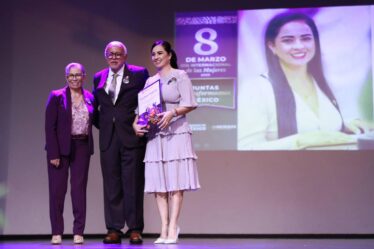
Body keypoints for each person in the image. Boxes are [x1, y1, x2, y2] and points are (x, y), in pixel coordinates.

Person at [238, 11, 372, 150]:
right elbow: (246, 148)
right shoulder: (255, 89)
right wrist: (300, 141)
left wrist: (345, 126)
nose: (299, 46)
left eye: (306, 38)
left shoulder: (320, 82)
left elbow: (315, 126)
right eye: (288, 40)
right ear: (272, 46)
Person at [133, 40, 201, 244]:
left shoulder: (180, 76)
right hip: (156, 136)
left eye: (160, 53)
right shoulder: (149, 81)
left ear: (169, 55)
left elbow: (190, 103)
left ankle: (173, 226)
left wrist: (172, 112)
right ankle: (163, 226)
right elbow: (141, 112)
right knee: (159, 185)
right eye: (153, 54)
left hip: (177, 133)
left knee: (175, 183)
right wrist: (136, 125)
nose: (156, 57)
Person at [92, 41, 149, 244]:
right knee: (111, 183)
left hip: (132, 136)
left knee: (133, 182)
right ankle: (114, 228)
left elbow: (148, 102)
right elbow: (95, 109)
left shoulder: (139, 73)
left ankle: (134, 228)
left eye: (118, 53)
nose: (114, 57)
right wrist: (107, 126)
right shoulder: (99, 77)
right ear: (106, 56)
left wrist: (139, 123)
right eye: (110, 53)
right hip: (108, 138)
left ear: (125, 56)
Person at [45, 62, 95, 245]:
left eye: (78, 75)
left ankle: (78, 232)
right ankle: (57, 231)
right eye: (71, 75)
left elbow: (94, 120)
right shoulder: (56, 96)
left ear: (84, 76)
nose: (74, 78)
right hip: (60, 148)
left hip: (81, 146)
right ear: (66, 77)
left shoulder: (90, 97)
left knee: (79, 190)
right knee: (57, 191)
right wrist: (53, 153)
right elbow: (50, 128)